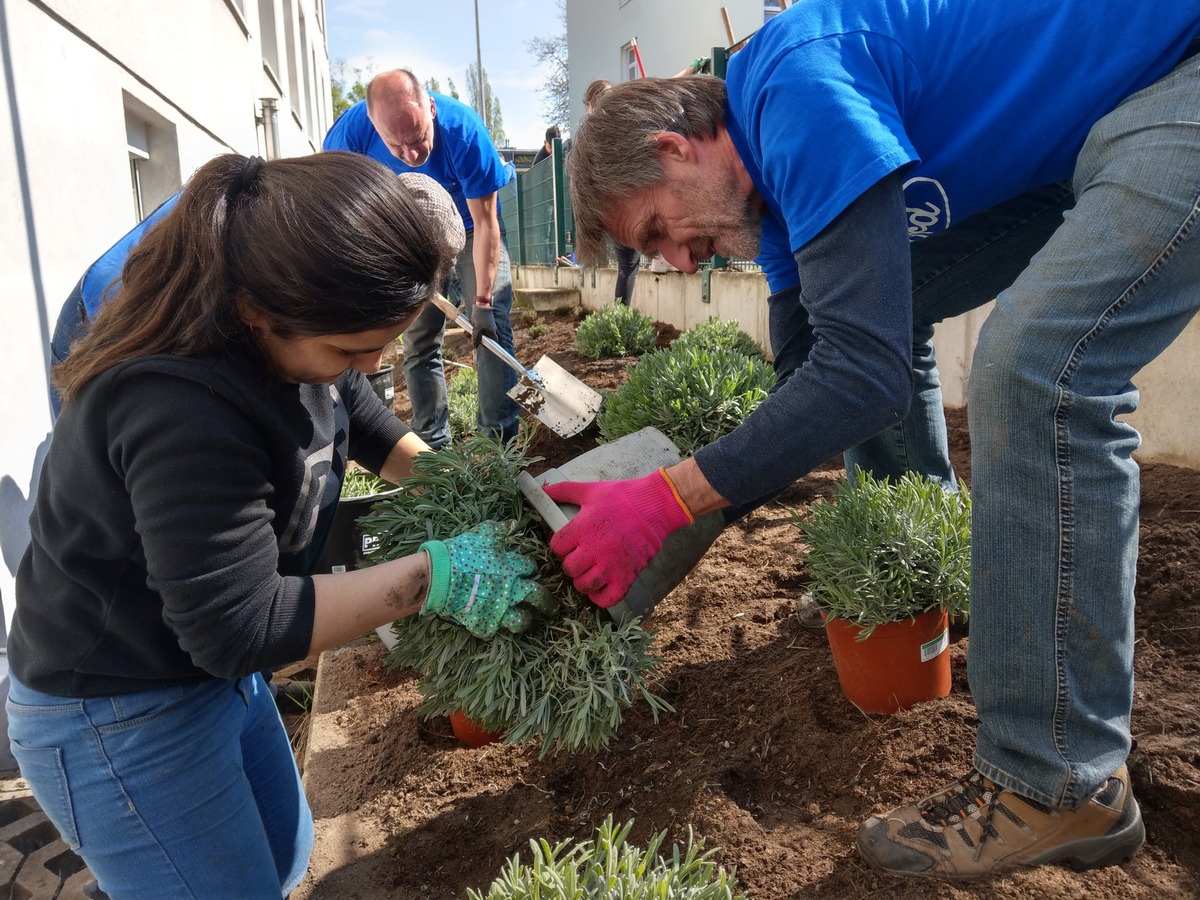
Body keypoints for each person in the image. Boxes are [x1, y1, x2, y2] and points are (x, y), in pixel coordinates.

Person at [553, 0, 1200, 883]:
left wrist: (668, 498)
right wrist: (671, 523)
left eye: (659, 231)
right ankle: (940, 575)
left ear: (677, 147)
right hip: (1077, 144)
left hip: (1176, 75)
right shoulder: (773, 193)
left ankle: (1061, 780)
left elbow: (862, 375)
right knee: (866, 326)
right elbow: (814, 371)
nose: (681, 265)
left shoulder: (795, 88)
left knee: (1036, 371)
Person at [7, 153, 549, 898]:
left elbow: (359, 418)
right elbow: (240, 625)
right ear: (259, 307)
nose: (374, 362)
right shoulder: (180, 405)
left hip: (207, 677)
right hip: (118, 711)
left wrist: (462, 485)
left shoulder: (284, 336)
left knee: (286, 860)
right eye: (353, 349)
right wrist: (438, 574)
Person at [323, 68, 521, 448]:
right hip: (410, 235)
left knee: (492, 323)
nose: (412, 155)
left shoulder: (463, 132)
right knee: (419, 338)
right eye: (396, 147)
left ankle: (499, 444)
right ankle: (433, 445)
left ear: (430, 107)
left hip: (468, 227)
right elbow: (339, 208)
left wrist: (480, 300)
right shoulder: (350, 137)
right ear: (373, 124)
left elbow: (485, 222)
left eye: (418, 138)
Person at [581, 80, 642, 306]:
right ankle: (620, 318)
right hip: (631, 202)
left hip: (609, 207)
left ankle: (619, 317)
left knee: (626, 266)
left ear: (590, 103)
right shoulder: (625, 122)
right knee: (629, 266)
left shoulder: (590, 132)